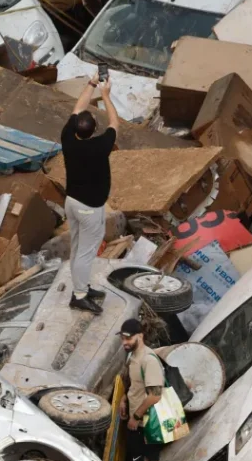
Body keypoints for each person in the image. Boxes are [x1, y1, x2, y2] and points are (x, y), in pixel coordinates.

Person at [60, 73, 119, 313]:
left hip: (72, 202)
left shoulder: (67, 138)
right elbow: (115, 123)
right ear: (94, 129)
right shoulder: (100, 145)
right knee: (86, 252)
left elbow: (78, 107)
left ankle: (81, 286)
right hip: (89, 208)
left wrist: (92, 84)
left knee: (76, 247)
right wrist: (105, 95)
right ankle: (80, 295)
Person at [119, 319, 165, 461]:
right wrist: (124, 399)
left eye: (128, 338)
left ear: (140, 336)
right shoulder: (132, 356)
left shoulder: (148, 360)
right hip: (136, 423)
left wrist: (136, 417)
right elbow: (134, 384)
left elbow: (155, 395)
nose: (124, 342)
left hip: (147, 426)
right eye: (122, 338)